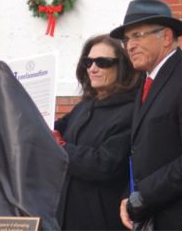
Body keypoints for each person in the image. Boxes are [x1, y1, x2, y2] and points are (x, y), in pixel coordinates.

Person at [110, 0, 182, 229]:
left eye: (137, 36)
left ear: (165, 37)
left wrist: (144, 195)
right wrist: (130, 194)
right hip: (159, 216)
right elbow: (143, 151)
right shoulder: (148, 82)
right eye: (126, 40)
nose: (129, 45)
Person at [54, 34, 140, 230]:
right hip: (66, 217)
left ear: (122, 67)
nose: (93, 68)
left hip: (101, 219)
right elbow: (55, 127)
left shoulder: (130, 111)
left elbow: (104, 164)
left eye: (103, 62)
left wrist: (60, 147)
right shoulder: (85, 105)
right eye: (88, 61)